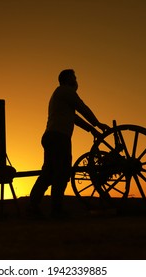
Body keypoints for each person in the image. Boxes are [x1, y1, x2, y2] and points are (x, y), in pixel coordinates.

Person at [28, 69, 109, 218]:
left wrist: (91, 129)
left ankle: (32, 206)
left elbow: (74, 117)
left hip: (51, 136)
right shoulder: (66, 91)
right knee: (62, 173)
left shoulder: (60, 95)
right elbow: (82, 108)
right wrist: (97, 124)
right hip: (59, 137)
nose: (76, 81)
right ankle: (56, 210)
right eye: (74, 78)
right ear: (67, 80)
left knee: (48, 173)